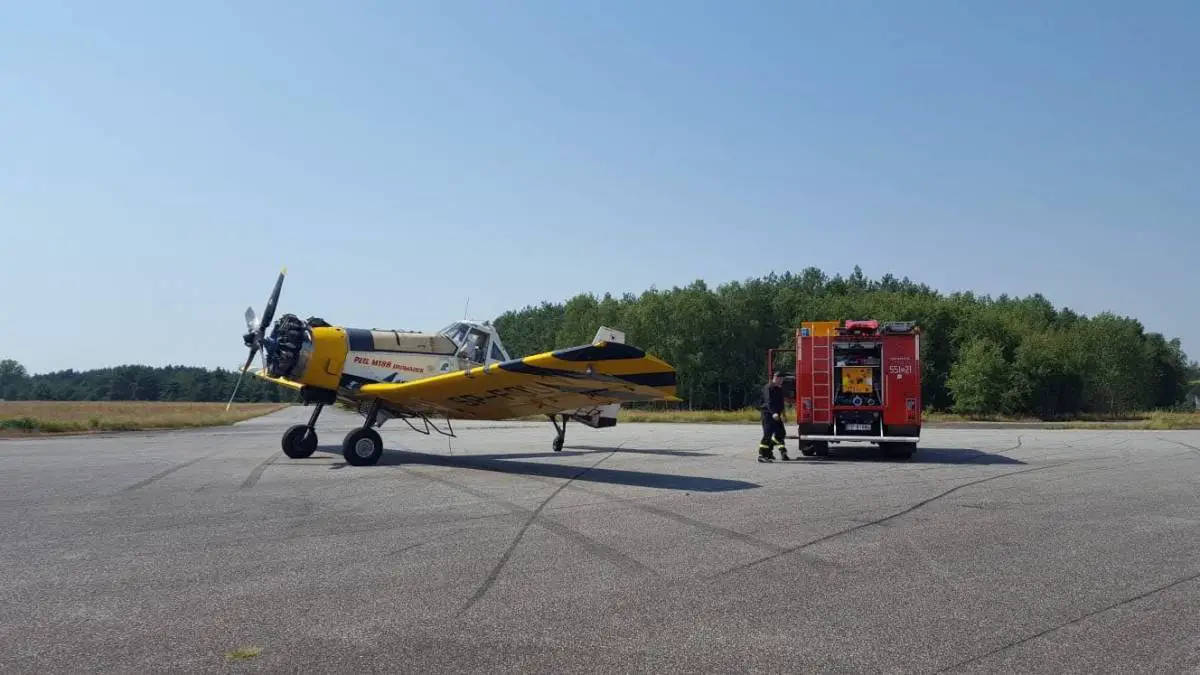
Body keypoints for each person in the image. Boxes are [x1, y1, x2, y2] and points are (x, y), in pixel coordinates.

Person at [758, 372, 789, 462]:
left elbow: (781, 403)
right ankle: (762, 455)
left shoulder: (779, 389)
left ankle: (769, 450)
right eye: (780, 379)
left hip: (777, 415)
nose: (782, 381)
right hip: (768, 414)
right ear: (775, 378)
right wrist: (773, 413)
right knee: (767, 434)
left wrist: (784, 415)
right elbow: (769, 402)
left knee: (781, 433)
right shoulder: (768, 388)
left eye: (782, 379)